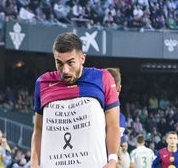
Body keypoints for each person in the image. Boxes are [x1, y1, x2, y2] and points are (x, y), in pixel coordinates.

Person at [31, 32, 120, 167]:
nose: (65, 70)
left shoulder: (103, 78)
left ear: (82, 58)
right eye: (59, 63)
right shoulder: (42, 82)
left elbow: (113, 124)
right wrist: (34, 162)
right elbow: (38, 128)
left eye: (70, 62)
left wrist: (113, 160)